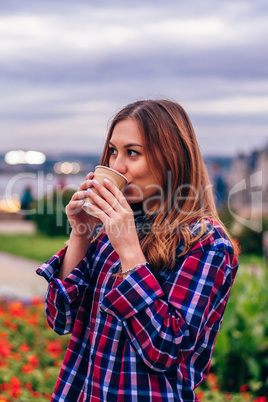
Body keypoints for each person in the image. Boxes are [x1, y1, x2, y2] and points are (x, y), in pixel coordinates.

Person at [36, 99, 239, 401]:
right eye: (113, 152)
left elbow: (165, 349)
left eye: (132, 153)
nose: (117, 166)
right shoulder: (109, 230)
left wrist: (129, 249)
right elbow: (60, 317)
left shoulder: (206, 243)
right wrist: (80, 233)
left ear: (171, 158)